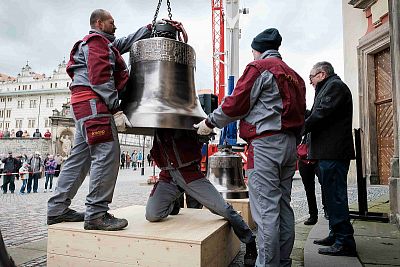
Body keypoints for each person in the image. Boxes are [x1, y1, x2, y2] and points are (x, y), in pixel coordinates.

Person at [194, 28, 306, 266]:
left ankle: (267, 264)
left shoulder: (258, 69)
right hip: (289, 145)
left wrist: (209, 122)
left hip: (265, 145)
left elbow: (236, 103)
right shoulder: (296, 76)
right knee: (283, 206)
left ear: (257, 50)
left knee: (266, 211)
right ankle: (283, 262)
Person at [47, 9, 152, 231]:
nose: (115, 26)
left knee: (79, 158)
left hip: (83, 106)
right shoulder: (96, 42)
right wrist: (115, 109)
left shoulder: (101, 43)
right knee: (107, 155)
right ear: (99, 23)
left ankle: (57, 209)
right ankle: (96, 214)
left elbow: (122, 43)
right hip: (96, 106)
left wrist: (148, 30)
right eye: (112, 22)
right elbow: (101, 77)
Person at [146, 129, 257, 266]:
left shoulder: (188, 121)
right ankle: (174, 201)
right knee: (152, 214)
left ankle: (250, 241)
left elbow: (204, 138)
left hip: (191, 176)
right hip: (168, 177)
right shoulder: (157, 124)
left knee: (225, 210)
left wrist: (199, 132)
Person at [303, 61, 356, 257]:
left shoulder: (335, 87)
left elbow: (320, 115)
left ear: (322, 74)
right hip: (328, 153)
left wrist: (300, 126)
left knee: (335, 197)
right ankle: (336, 234)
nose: (310, 82)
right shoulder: (328, 88)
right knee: (331, 198)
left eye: (311, 77)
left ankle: (344, 241)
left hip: (333, 153)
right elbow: (317, 114)